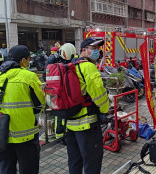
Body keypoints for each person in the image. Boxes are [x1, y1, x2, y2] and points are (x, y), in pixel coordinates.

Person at [66, 37, 109, 174]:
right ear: (84, 50)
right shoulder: (88, 67)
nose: (97, 51)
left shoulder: (71, 65)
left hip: (70, 123)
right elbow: (99, 95)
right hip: (87, 124)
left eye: (98, 48)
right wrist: (104, 110)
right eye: (94, 48)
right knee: (92, 162)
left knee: (75, 162)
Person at [0, 45, 45, 174]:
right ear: (23, 60)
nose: (30, 61)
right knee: (28, 169)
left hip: (3, 136)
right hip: (26, 136)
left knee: (6, 169)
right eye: (29, 58)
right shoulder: (28, 76)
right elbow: (40, 103)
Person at [44, 43, 77, 140]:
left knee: (63, 112)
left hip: (61, 90)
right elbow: (45, 77)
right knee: (59, 114)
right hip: (56, 91)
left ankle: (63, 133)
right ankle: (59, 134)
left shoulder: (68, 59)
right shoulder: (52, 61)